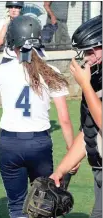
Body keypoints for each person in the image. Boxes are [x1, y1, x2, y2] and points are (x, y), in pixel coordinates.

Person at [0, 15, 74, 218]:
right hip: (39, 142)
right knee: (45, 203)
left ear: (13, 41)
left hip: (10, 143)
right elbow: (64, 118)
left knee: (17, 205)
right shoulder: (51, 71)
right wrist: (72, 152)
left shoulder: (2, 71)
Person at [50, 15, 102, 218]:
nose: (87, 57)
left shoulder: (89, 83)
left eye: (91, 50)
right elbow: (88, 131)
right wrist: (61, 170)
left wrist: (86, 85)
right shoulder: (95, 78)